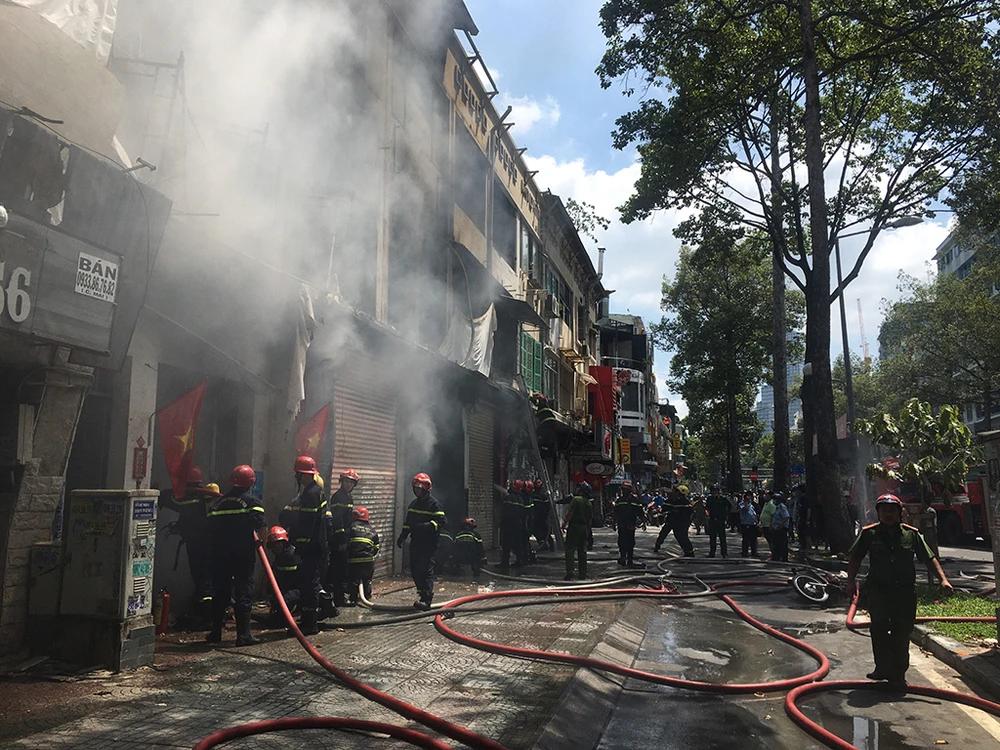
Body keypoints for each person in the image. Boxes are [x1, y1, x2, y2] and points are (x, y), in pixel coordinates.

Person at [846, 494, 953, 686]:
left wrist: (943, 580)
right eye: (884, 510)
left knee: (902, 631)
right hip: (878, 591)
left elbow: (929, 558)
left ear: (899, 512)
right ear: (878, 512)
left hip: (904, 593)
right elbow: (855, 557)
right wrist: (850, 581)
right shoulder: (869, 534)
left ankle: (898, 673)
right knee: (879, 628)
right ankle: (882, 668)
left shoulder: (911, 535)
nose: (888, 514)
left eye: (892, 510)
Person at [207, 464, 267, 646]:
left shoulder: (218, 503)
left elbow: (210, 529)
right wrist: (262, 545)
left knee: (220, 592)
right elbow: (262, 527)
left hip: (220, 555)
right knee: (243, 592)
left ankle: (215, 632)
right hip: (242, 555)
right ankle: (244, 635)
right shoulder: (252, 502)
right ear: (251, 483)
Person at [164, 466, 218, 626]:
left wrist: (159, 493)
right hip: (208, 544)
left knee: (202, 578)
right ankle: (206, 612)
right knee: (204, 578)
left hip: (198, 545)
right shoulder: (205, 498)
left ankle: (207, 616)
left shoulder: (191, 499)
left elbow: (174, 501)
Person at [281, 456, 328, 634]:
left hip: (310, 548)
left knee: (309, 585)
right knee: (309, 583)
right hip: (316, 546)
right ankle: (308, 620)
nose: (296, 477)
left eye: (298, 474)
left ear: (304, 475)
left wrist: (300, 547)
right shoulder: (317, 491)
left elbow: (308, 524)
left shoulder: (310, 494)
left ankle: (310, 624)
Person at [397, 472, 447, 610]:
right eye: (415, 488)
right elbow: (408, 523)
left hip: (429, 543)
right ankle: (422, 595)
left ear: (426, 488)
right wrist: (402, 536)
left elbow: (441, 521)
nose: (416, 491)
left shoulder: (434, 504)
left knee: (426, 569)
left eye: (418, 488)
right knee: (415, 569)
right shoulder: (413, 504)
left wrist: (426, 526)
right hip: (416, 542)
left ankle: (427, 598)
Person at [325, 468, 359, 609]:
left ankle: (334, 596)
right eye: (346, 482)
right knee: (339, 569)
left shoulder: (348, 497)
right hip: (339, 539)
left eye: (351, 482)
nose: (348, 484)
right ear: (341, 482)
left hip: (345, 538)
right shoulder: (338, 497)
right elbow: (337, 519)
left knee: (340, 568)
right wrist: (341, 539)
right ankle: (338, 598)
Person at [265, 525, 300, 625]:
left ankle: (297, 610)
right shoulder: (279, 558)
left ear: (284, 543)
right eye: (273, 545)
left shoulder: (293, 556)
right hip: (287, 590)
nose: (276, 547)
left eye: (278, 544)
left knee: (284, 601)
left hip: (299, 590)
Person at [346, 506, 379, 606]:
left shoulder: (350, 527)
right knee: (367, 579)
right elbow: (376, 547)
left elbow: (346, 542)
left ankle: (353, 598)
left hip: (353, 560)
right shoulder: (372, 530)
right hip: (368, 561)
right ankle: (367, 595)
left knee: (353, 579)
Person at [562, 482, 594, 580]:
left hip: (574, 527)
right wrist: (588, 530)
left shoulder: (576, 500)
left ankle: (570, 572)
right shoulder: (589, 503)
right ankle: (582, 574)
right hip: (584, 528)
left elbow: (571, 513)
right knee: (582, 551)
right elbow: (589, 520)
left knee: (570, 549)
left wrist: (565, 523)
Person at [654, 485, 694, 556]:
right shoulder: (670, 501)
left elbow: (688, 513)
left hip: (680, 523)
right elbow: (664, 509)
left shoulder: (685, 502)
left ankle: (689, 553)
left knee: (682, 537)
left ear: (678, 492)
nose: (672, 492)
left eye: (674, 491)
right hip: (670, 521)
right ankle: (657, 546)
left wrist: (677, 513)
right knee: (663, 534)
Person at [500, 479, 530, 572]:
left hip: (509, 525)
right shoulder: (521, 499)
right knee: (517, 544)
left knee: (506, 545)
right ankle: (519, 561)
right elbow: (524, 514)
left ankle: (505, 563)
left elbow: (504, 512)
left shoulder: (509, 498)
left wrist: (501, 523)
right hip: (519, 525)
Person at [614, 482, 646, 567]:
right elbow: (615, 512)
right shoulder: (619, 500)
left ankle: (630, 560)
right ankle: (623, 557)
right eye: (623, 489)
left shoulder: (635, 501)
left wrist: (644, 523)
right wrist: (614, 523)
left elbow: (640, 512)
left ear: (629, 490)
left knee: (630, 543)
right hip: (621, 525)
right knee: (621, 542)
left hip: (631, 525)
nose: (623, 491)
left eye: (625, 490)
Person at [705, 485, 730, 558]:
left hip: (720, 520)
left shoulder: (722, 498)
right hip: (712, 520)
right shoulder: (709, 499)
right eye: (713, 490)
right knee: (712, 538)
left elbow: (729, 506)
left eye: (715, 490)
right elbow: (707, 507)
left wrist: (726, 516)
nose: (714, 492)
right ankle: (712, 553)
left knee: (722, 538)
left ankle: (724, 553)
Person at [531, 479, 554, 552]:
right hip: (541, 517)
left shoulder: (533, 495)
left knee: (538, 531)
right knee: (545, 532)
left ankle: (545, 544)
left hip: (537, 517)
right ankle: (549, 546)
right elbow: (548, 506)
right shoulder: (543, 495)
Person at [769, 492, 790, 562]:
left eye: (775, 499)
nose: (774, 501)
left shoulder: (782, 507)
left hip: (781, 528)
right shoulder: (776, 507)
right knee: (776, 543)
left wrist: (780, 525)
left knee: (782, 543)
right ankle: (776, 557)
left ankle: (784, 558)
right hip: (776, 528)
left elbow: (786, 517)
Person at [739, 494, 759, 558]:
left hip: (752, 524)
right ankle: (745, 552)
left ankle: (754, 552)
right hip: (745, 524)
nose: (749, 500)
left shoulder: (751, 505)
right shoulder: (741, 504)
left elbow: (754, 514)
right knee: (746, 539)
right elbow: (745, 508)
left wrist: (757, 523)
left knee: (753, 539)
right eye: (747, 499)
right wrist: (746, 502)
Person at [759, 492, 777, 556]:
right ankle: (773, 553)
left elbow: (773, 515)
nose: (765, 496)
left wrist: (771, 525)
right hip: (764, 524)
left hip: (768, 525)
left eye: (767, 495)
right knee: (768, 540)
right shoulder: (766, 503)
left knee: (771, 540)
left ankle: (774, 554)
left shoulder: (771, 504)